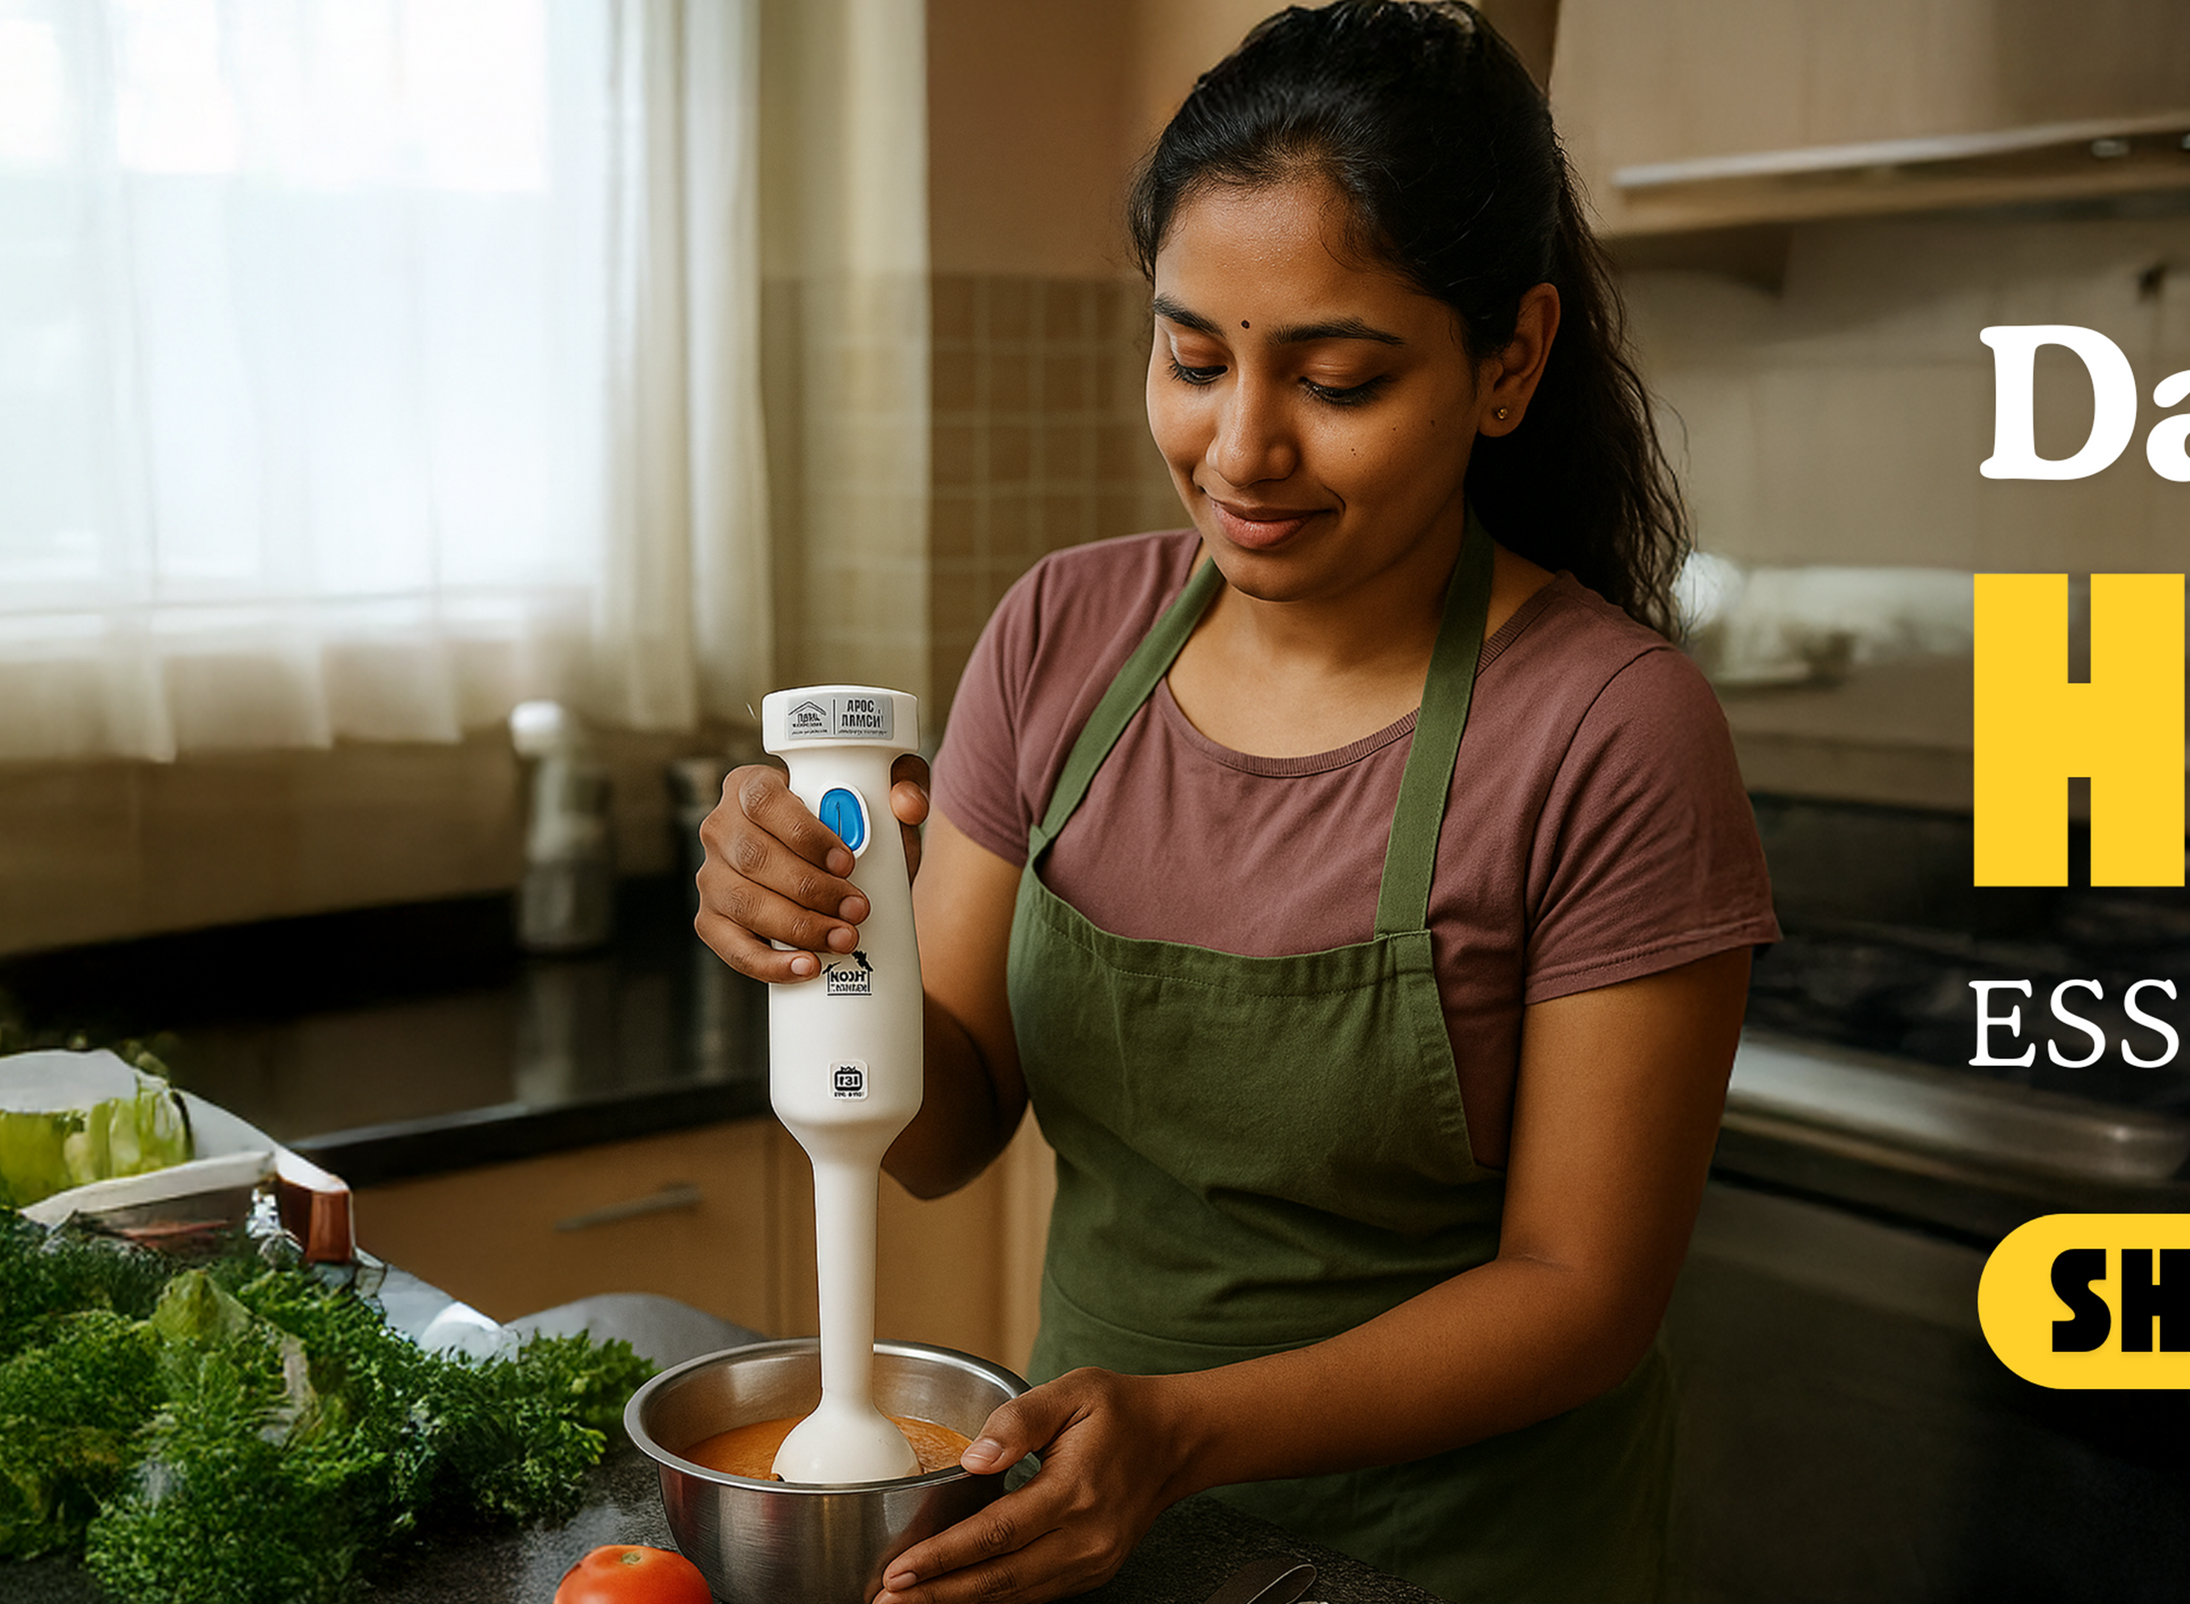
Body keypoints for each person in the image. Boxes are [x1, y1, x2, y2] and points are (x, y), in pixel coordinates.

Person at [691, 5, 1775, 1600]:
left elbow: (1581, 1289)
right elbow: (947, 1129)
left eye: (1337, 378)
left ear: (1511, 361)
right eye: (1193, 356)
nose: (1241, 448)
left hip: (1454, 1565)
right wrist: (821, 941)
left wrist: (1184, 1434)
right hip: (1092, 1537)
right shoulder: (1064, 634)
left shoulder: (1611, 732)